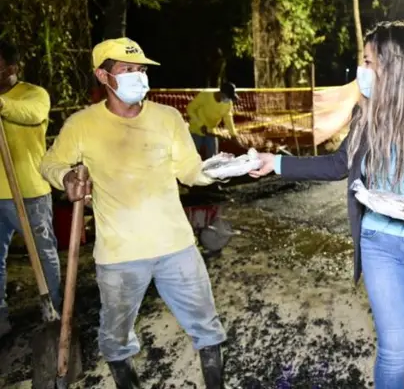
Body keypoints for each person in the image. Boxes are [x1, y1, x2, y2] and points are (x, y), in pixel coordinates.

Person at [250, 21, 404, 389]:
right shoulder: (366, 112)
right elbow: (338, 164)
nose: (361, 72)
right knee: (394, 350)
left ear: (394, 66)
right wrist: (277, 163)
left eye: (367, 62)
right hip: (380, 243)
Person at [39, 38, 227, 388]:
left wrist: (218, 170)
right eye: (127, 70)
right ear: (103, 76)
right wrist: (65, 177)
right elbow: (50, 162)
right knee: (116, 337)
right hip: (120, 254)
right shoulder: (82, 125)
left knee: (207, 326)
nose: (137, 77)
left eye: (140, 70)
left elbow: (189, 170)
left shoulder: (168, 118)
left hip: (176, 246)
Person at [0, 40, 61, 339]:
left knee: (43, 253)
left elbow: (30, 114)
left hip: (29, 192)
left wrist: (1, 105)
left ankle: (55, 310)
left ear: (11, 67)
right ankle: (1, 318)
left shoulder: (34, 94)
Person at [187, 82, 241, 160]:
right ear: (221, 93)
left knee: (213, 159)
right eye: (227, 97)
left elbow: (228, 118)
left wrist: (233, 135)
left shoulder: (228, 103)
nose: (229, 100)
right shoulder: (205, 95)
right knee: (191, 158)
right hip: (195, 130)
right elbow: (190, 109)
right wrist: (200, 124)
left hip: (211, 132)